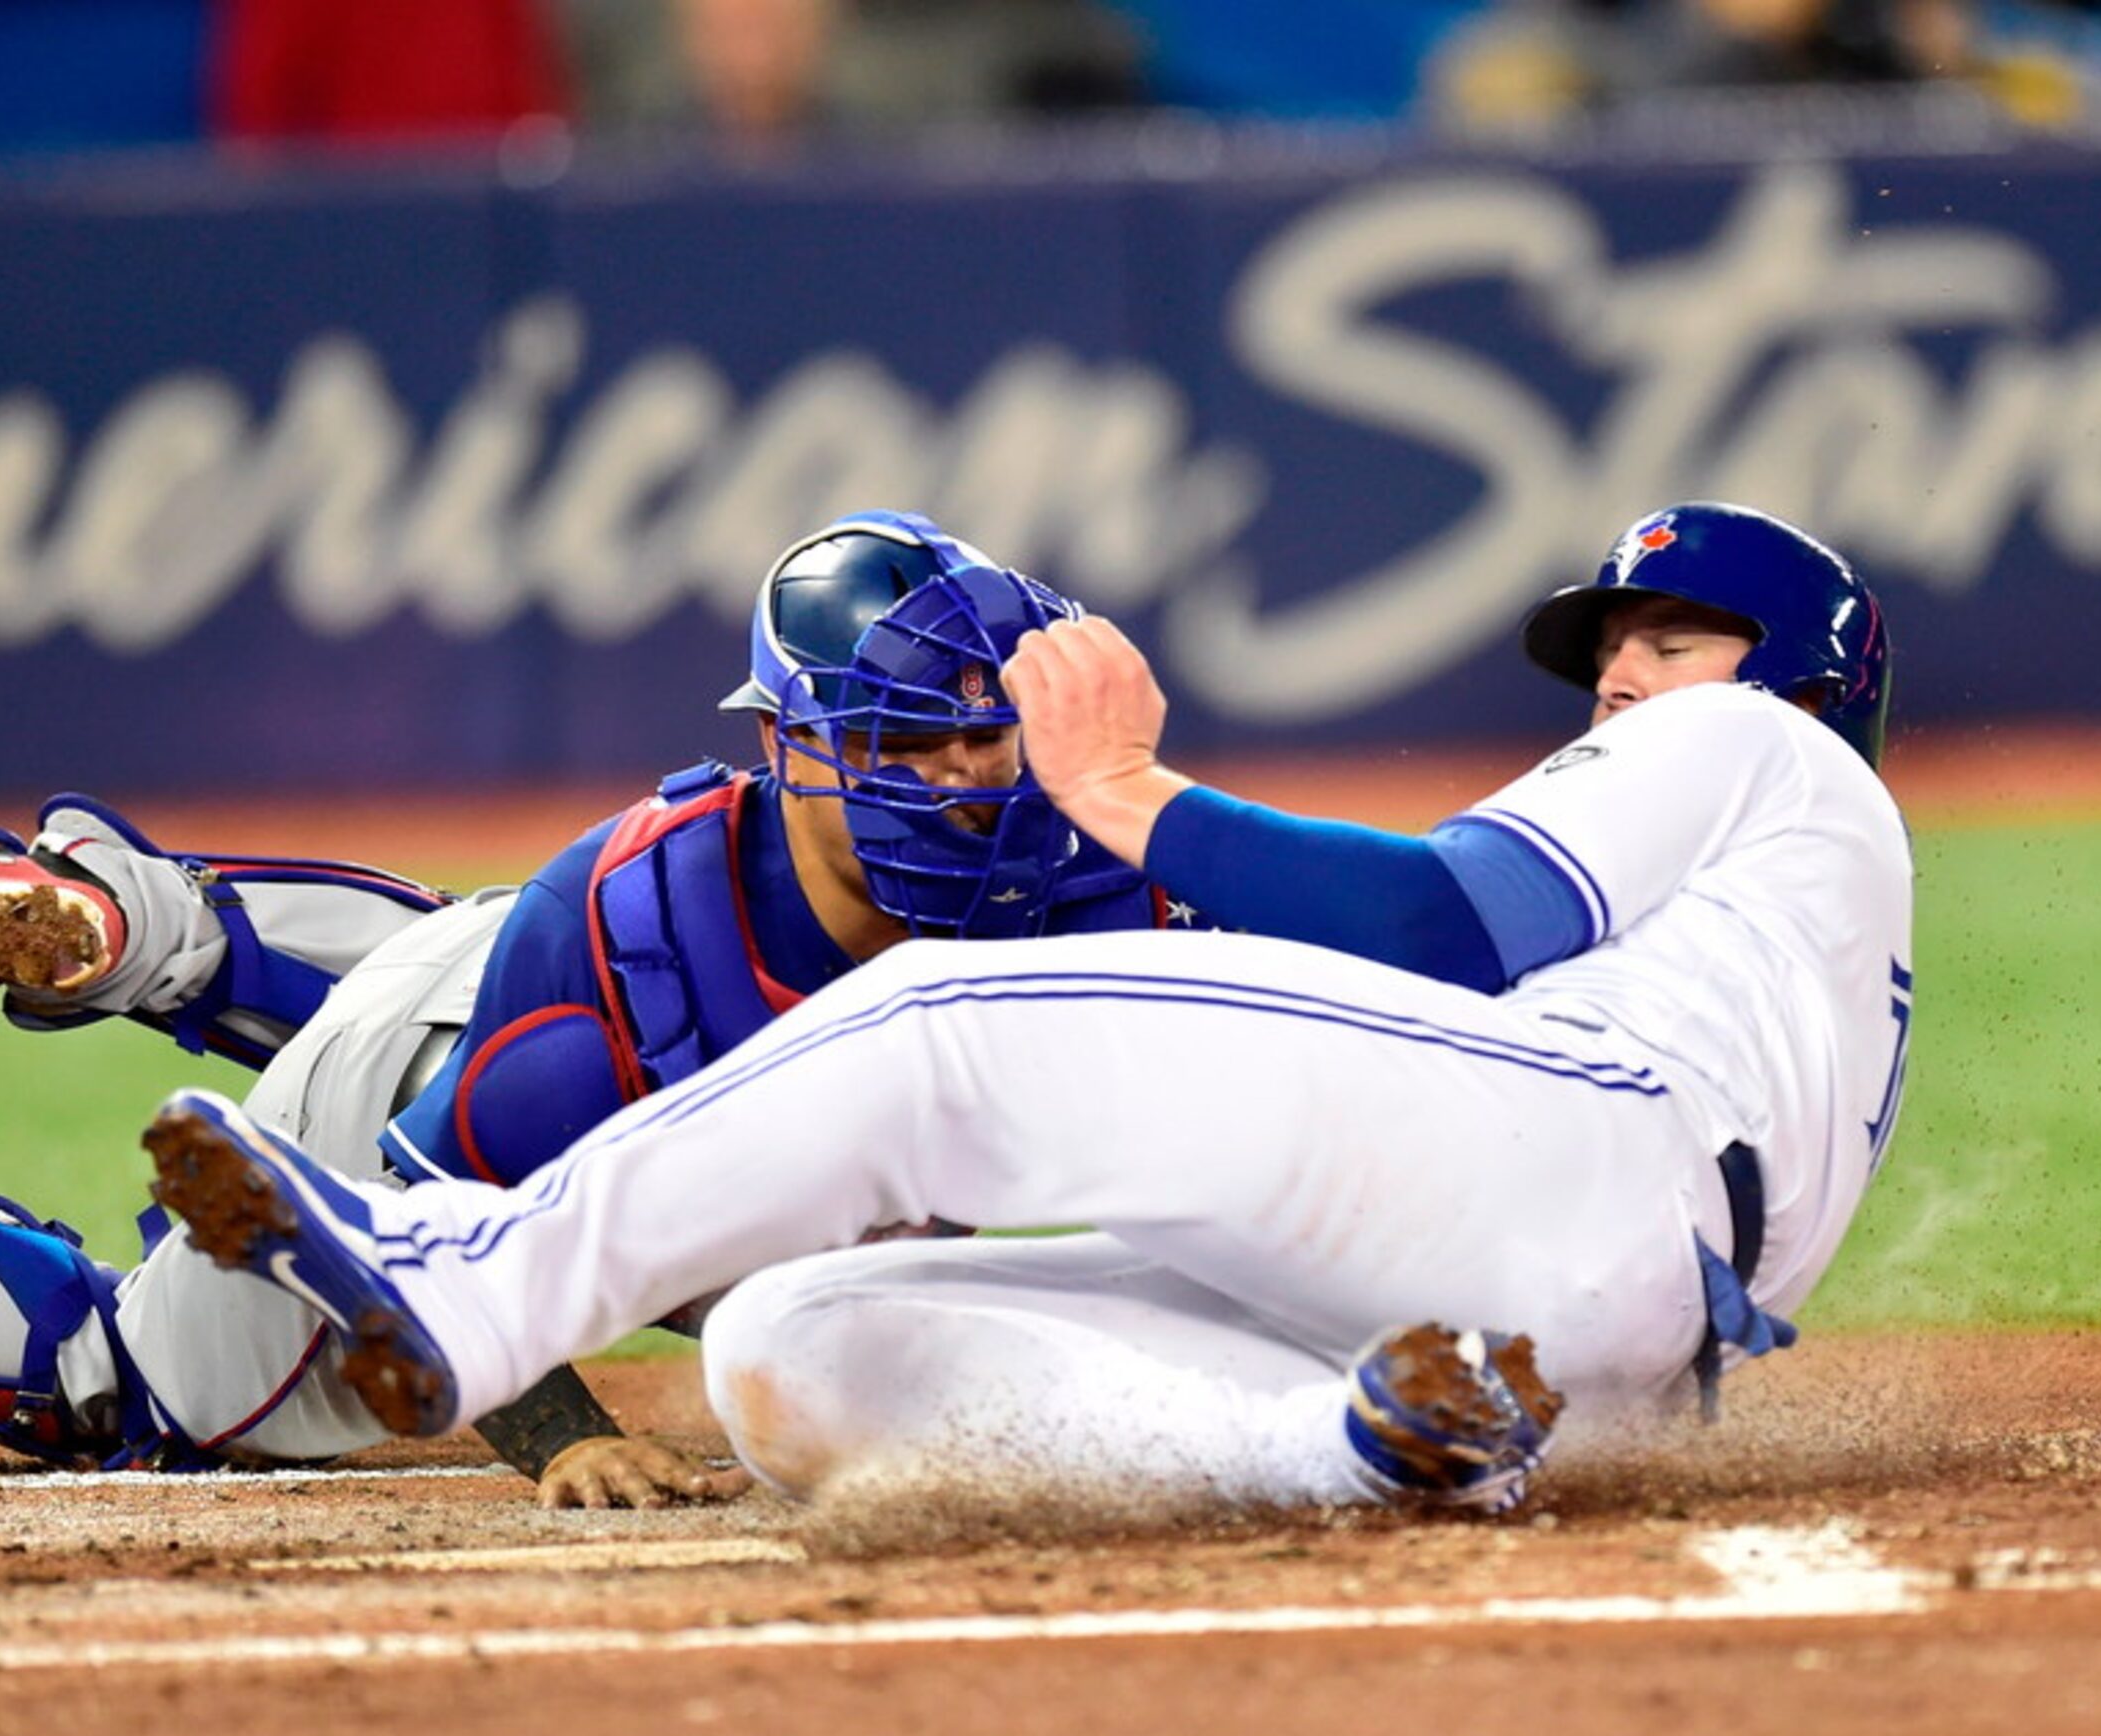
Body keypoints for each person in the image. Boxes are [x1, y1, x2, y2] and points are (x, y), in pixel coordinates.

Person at [135, 501, 1909, 1516]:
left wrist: (1121, 788)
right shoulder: (1768, 918)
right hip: (1592, 1359)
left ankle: (476, 1284)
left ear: (1803, 686)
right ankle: (1357, 1449)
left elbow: (1430, 925)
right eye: (1618, 640)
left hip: (1578, 1164)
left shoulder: (1754, 749)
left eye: (1673, 638)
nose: (1625, 672)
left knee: (934, 1023)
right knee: (791, 1349)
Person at [0, 513, 1168, 1505]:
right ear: (793, 751)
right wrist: (555, 1432)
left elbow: (1292, 941)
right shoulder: (645, 976)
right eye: (911, 741)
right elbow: (432, 1214)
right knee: (125, 1388)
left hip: (474, 964)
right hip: (442, 1115)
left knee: (473, 984)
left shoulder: (1025, 832)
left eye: (984, 727)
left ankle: (132, 925)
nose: (967, 771)